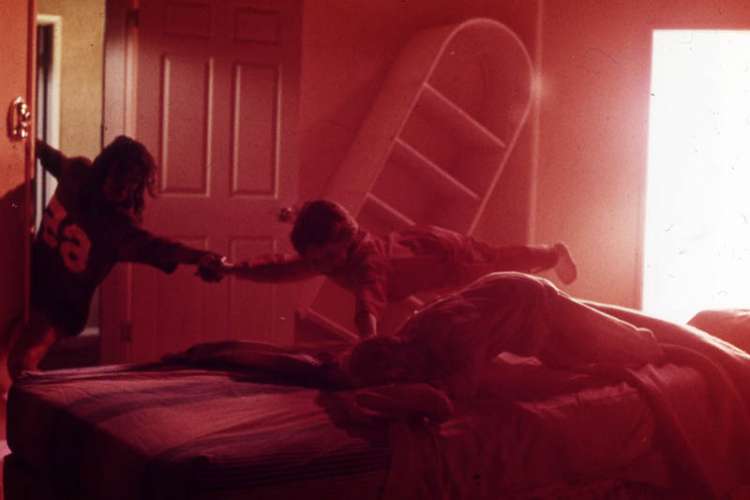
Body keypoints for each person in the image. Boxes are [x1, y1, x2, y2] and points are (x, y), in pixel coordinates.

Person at [2, 137, 224, 384]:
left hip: (60, 304)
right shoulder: (77, 173)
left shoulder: (118, 226)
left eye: (132, 184)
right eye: (119, 178)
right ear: (104, 167)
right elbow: (49, 157)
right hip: (31, 274)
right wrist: (25, 138)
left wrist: (199, 257)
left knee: (21, 360)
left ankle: (39, 404)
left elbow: (160, 248)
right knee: (7, 345)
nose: (123, 190)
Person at [221, 199, 578, 338]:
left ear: (343, 242)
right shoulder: (328, 258)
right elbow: (282, 268)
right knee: (489, 271)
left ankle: (551, 253)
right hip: (420, 254)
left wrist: (369, 343)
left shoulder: (367, 263)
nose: (318, 267)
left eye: (324, 258)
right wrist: (234, 269)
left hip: (444, 256)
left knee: (495, 264)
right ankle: (546, 258)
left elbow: (369, 302)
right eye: (315, 260)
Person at [342, 272, 663, 399]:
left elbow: (461, 388)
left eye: (396, 373)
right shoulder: (408, 338)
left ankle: (656, 344)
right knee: (567, 361)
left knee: (625, 344)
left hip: (529, 298)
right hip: (507, 306)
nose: (399, 377)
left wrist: (401, 397)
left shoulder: (456, 333)